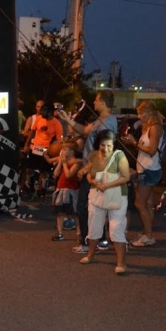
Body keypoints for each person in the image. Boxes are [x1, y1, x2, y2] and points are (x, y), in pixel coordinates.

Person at [58, 91, 118, 253]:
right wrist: (68, 119)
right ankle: (100, 240)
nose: (94, 103)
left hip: (95, 170)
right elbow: (85, 130)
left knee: (83, 206)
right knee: (94, 206)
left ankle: (87, 242)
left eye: (97, 100)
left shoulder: (108, 123)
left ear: (104, 103)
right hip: (93, 168)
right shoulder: (101, 120)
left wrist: (86, 167)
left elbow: (104, 150)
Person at [78, 130, 131, 275]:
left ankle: (121, 263)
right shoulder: (94, 155)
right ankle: (90, 255)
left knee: (116, 228)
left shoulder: (119, 156)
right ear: (98, 144)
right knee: (94, 225)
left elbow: (126, 177)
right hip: (97, 195)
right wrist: (91, 181)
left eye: (109, 145)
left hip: (117, 196)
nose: (106, 149)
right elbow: (89, 173)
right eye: (103, 145)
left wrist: (107, 185)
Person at [121, 100, 163, 247]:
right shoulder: (149, 127)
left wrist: (134, 143)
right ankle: (147, 232)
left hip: (149, 170)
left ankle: (149, 236)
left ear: (150, 112)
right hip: (146, 169)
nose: (139, 116)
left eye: (141, 113)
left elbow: (152, 151)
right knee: (148, 203)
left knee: (140, 204)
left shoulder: (155, 128)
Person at [23, 103, 63, 198]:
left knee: (44, 172)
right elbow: (32, 132)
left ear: (50, 112)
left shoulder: (56, 123)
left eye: (44, 110)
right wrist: (26, 144)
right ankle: (31, 189)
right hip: (35, 148)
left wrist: (51, 150)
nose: (41, 112)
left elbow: (59, 140)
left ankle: (42, 192)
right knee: (29, 170)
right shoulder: (39, 118)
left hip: (46, 150)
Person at [50, 142, 81, 241]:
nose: (62, 151)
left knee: (74, 213)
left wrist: (64, 163)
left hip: (70, 190)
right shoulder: (63, 161)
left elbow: (69, 175)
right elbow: (55, 174)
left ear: (72, 152)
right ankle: (59, 233)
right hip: (60, 189)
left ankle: (79, 233)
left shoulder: (76, 163)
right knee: (60, 213)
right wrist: (60, 162)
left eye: (65, 150)